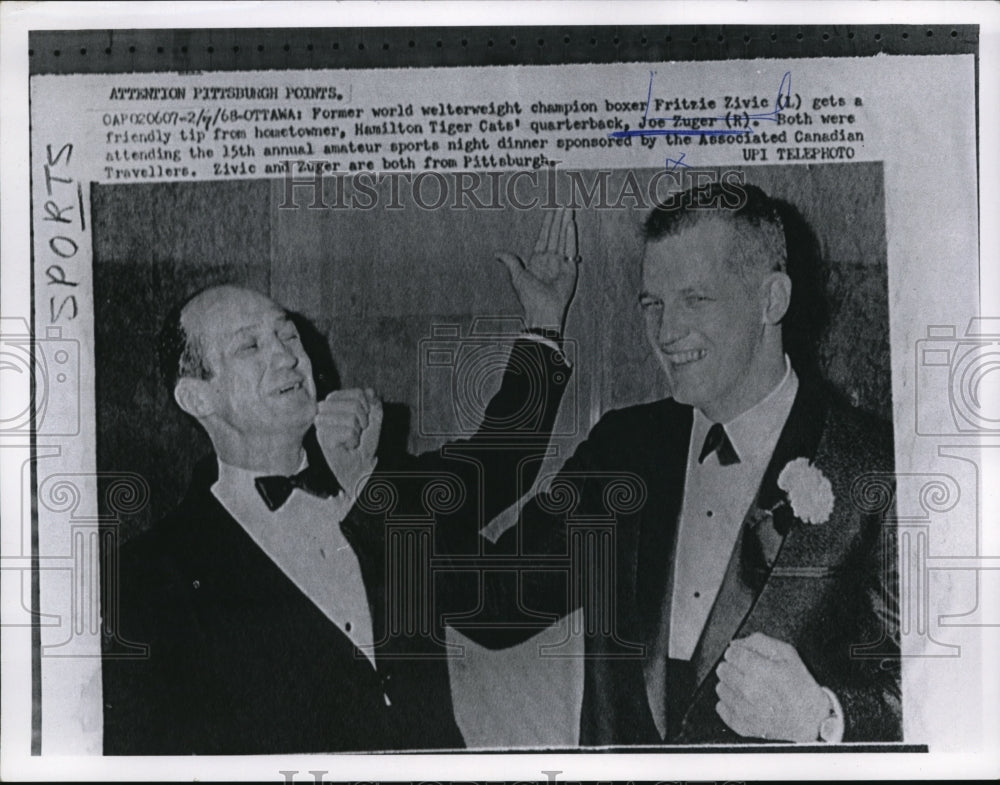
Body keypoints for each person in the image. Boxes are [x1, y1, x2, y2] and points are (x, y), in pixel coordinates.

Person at [102, 209, 580, 754]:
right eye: (250, 347)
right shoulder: (152, 570)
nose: (286, 356)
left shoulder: (370, 476)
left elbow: (498, 465)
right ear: (197, 397)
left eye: (288, 334)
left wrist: (543, 323)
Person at [457, 183, 900, 745]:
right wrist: (368, 489)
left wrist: (822, 718)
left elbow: (938, 696)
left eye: (696, 299)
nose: (666, 333)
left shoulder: (875, 470)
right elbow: (494, 604)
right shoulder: (623, 447)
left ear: (772, 300)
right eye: (653, 304)